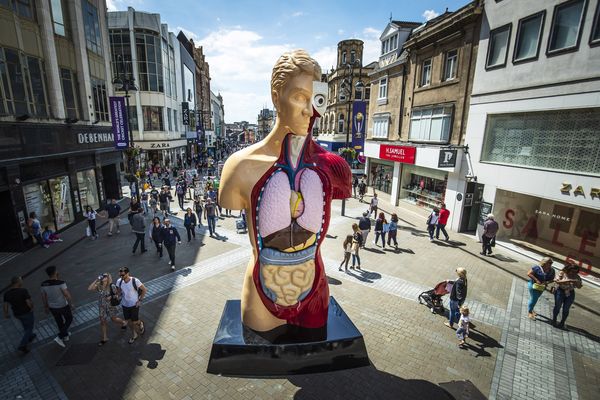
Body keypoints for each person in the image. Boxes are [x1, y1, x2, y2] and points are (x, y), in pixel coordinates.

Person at [87, 273, 127, 346]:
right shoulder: (99, 285)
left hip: (110, 306)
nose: (103, 277)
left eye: (105, 276)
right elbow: (90, 288)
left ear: (108, 278)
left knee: (113, 319)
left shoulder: (112, 286)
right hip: (102, 306)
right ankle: (104, 338)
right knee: (102, 321)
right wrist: (96, 280)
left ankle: (124, 322)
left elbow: (117, 295)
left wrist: (111, 297)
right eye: (103, 276)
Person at [41, 266, 74, 348]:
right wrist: (71, 303)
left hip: (52, 307)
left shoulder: (43, 284)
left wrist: (46, 307)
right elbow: (66, 294)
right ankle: (60, 336)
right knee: (69, 318)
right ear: (55, 272)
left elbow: (44, 297)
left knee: (59, 321)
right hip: (63, 305)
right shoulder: (60, 283)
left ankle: (65, 336)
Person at [3, 276, 36, 353]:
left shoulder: (7, 293)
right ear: (17, 282)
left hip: (17, 314)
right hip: (26, 312)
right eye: (21, 281)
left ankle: (30, 336)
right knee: (29, 328)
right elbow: (28, 302)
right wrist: (31, 307)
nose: (22, 282)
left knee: (25, 325)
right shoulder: (23, 291)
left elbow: (5, 305)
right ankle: (22, 345)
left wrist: (6, 313)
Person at [116, 267, 147, 344]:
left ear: (127, 273)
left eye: (123, 275)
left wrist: (140, 300)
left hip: (134, 304)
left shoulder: (135, 281)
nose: (121, 277)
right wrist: (117, 295)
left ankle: (140, 323)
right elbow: (119, 291)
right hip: (124, 304)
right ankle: (134, 335)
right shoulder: (119, 281)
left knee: (135, 322)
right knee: (129, 321)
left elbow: (144, 290)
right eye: (120, 275)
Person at [552, 262, 582, 329]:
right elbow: (557, 281)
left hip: (570, 293)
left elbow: (579, 286)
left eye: (576, 272)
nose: (574, 273)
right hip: (560, 291)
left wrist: (577, 283)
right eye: (572, 271)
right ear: (568, 269)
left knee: (566, 309)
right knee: (557, 306)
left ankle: (562, 322)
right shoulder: (562, 273)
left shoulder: (577, 277)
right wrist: (569, 280)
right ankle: (554, 320)